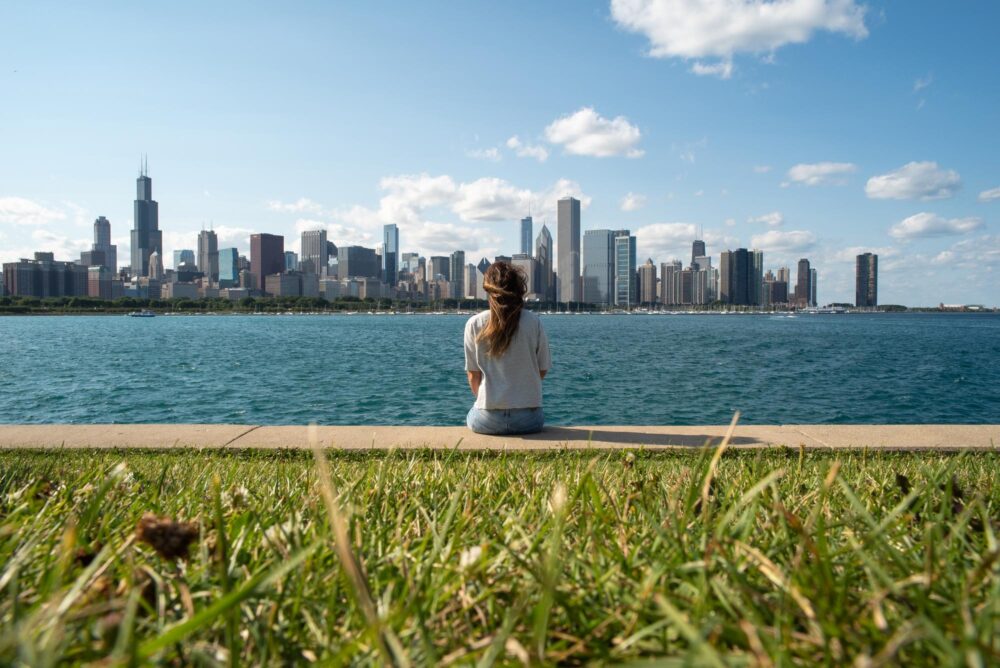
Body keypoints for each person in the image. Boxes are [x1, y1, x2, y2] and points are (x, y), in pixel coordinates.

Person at [464, 261, 551, 435]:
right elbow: (542, 369)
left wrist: (491, 399)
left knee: (471, 415)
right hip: (529, 421)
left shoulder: (474, 324)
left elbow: (473, 376)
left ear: (488, 290)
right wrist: (519, 391)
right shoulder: (534, 322)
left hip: (488, 420)